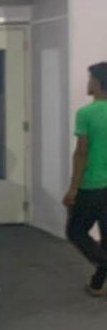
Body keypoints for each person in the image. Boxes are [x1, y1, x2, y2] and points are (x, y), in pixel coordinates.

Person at [64, 61, 107, 296]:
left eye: (90, 78)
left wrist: (73, 188)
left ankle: (104, 270)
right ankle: (98, 285)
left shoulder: (86, 113)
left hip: (93, 184)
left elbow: (81, 152)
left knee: (75, 231)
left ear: (98, 83)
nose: (88, 83)